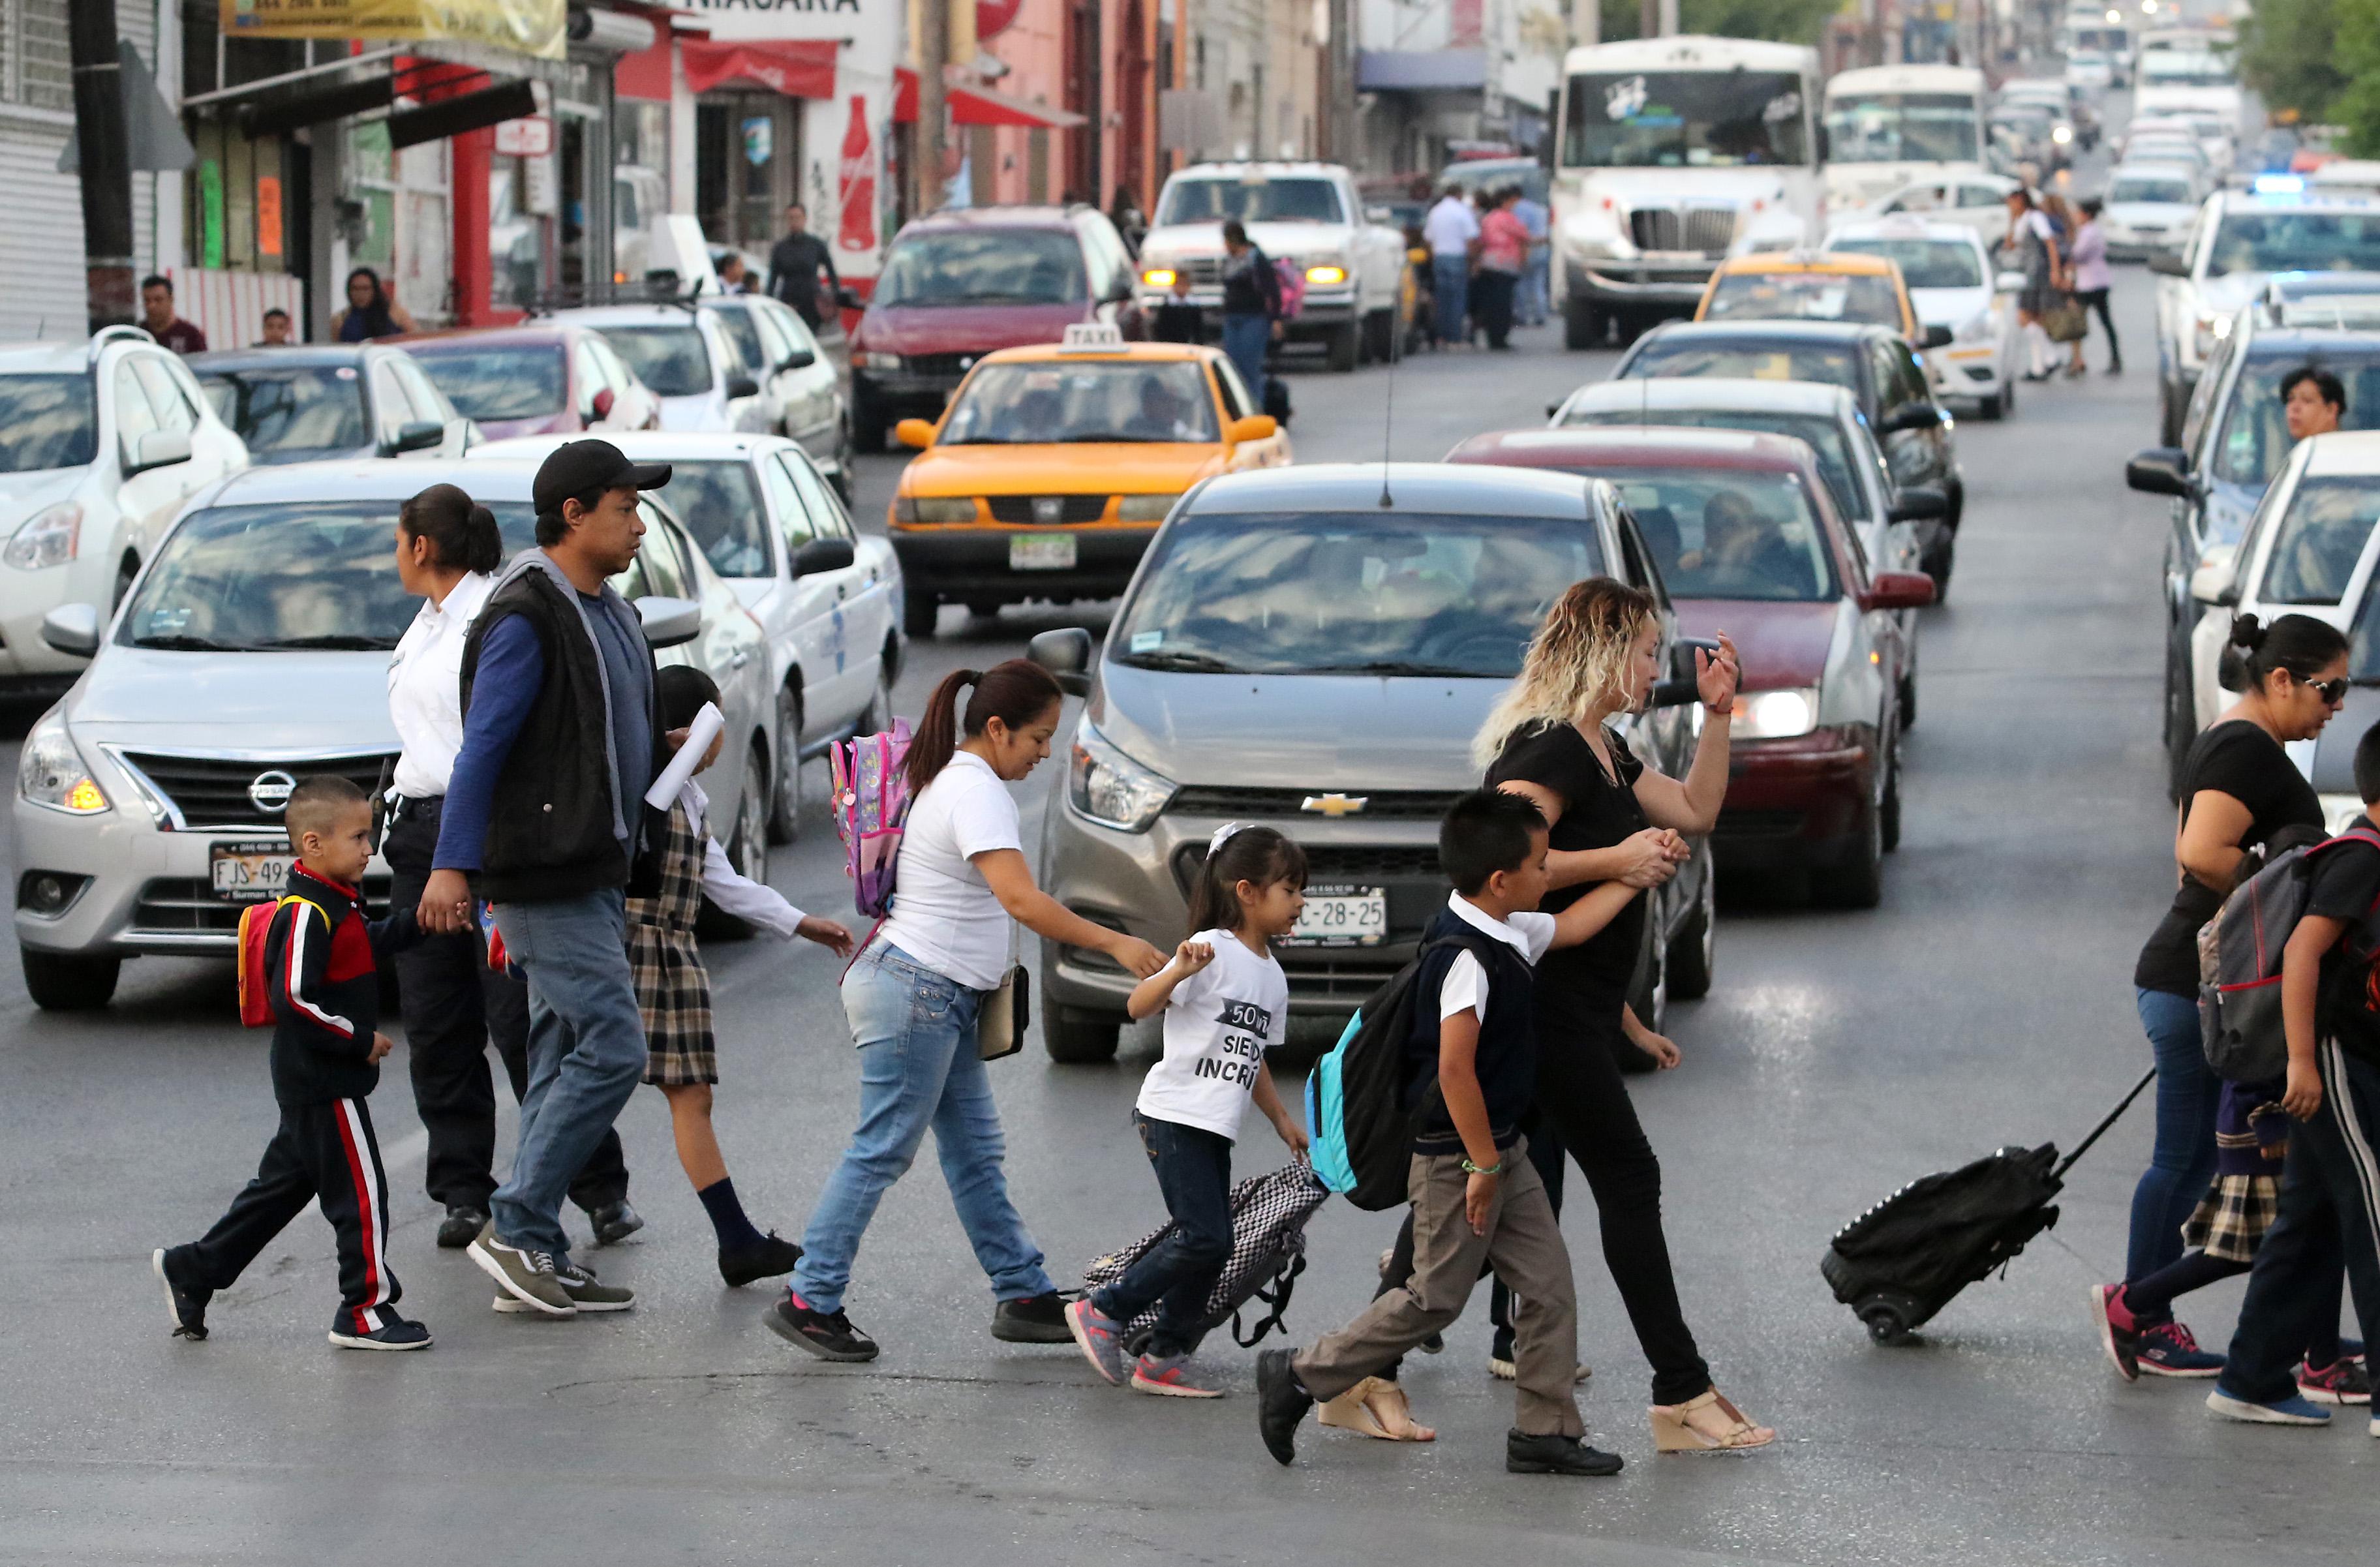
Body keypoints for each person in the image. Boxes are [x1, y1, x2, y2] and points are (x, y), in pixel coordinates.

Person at [766, 663, 1167, 1362]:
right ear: (996, 728)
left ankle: (1022, 1291)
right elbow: (1020, 899)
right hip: (919, 992)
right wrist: (1115, 941)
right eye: (1039, 738)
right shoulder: (976, 791)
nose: (1045, 752)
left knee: (975, 1153)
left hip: (934, 994)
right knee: (882, 1147)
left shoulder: (955, 778)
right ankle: (811, 1298)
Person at [1471, 578, 1776, 1452]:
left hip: (1575, 1010)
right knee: (1627, 1178)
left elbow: (1697, 810)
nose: (1656, 667)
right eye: (1646, 650)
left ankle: (1343, 1371)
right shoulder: (1550, 749)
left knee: (1464, 1203)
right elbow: (1505, 864)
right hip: (1541, 1010)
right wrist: (1623, 857)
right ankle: (1680, 1389)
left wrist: (1720, 714)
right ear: (1606, 651)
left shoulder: (1605, 745)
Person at [1253, 790, 1641, 1476]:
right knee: (1434, 1296)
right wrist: (1484, 1168)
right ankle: (1299, 1373)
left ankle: (1544, 1430)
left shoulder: (1503, 929)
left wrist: (1636, 873)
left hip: (1500, 1146)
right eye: (1542, 865)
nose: (1549, 875)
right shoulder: (1466, 958)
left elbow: (1573, 927)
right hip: (1459, 1157)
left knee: (1547, 1284)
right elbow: (1455, 1071)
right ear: (1502, 880)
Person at [419, 438, 677, 1318]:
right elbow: (485, 743)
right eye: (624, 508)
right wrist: (453, 863)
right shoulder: (529, 612)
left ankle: (536, 1251)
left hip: (598, 866)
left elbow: (599, 727)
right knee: (614, 1046)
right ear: (573, 513)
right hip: (543, 872)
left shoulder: (612, 611)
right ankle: (519, 1221)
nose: (639, 525)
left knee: (562, 1053)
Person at [384, 484, 638, 1253]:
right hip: (420, 830)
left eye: (396, 540)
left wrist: (461, 861)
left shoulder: (495, 617)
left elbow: (490, 747)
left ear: (421, 545)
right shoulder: (424, 625)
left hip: (482, 843)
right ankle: (466, 1190)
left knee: (529, 1022)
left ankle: (591, 1187)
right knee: (438, 1024)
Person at [2107, 611, 2351, 1375]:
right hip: (2194, 984)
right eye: (2329, 688)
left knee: (2204, 1162)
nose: (2337, 706)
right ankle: (2137, 1312)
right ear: (2281, 679)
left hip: (2198, 982)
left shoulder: (2242, 739)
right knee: (2182, 1160)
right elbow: (2198, 852)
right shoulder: (2246, 745)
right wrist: (2287, 905)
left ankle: (2295, 1336)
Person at [151, 777, 427, 1350]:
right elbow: (294, 999)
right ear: (312, 843)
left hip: (315, 1079)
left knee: (279, 1190)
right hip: (325, 1078)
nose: (368, 848)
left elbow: (361, 946)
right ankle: (365, 1311)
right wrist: (358, 1040)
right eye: (357, 837)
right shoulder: (305, 913)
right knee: (363, 1193)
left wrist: (420, 923)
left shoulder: (336, 900)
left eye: (369, 835)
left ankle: (194, 1269)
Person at [628, 665, 857, 1290]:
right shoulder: (637, 786)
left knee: (688, 1095)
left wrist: (800, 922)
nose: (724, 739)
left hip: (671, 955)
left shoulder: (689, 798)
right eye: (717, 721)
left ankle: (736, 1241)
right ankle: (525, 1216)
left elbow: (723, 883)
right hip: (633, 951)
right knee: (592, 1092)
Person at [1065, 825, 1312, 1399]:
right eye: (1291, 890)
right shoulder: (1210, 950)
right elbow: (1137, 1005)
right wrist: (1177, 969)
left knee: (1212, 1240)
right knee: (1205, 1236)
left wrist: (1280, 1119)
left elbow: (1252, 1057)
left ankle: (1164, 1357)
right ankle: (1105, 1310)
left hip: (1214, 1125)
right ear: (1247, 892)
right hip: (1173, 1115)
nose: (1301, 902)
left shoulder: (1272, 976)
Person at [2206, 720, 2380, 1426]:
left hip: (2354, 1058)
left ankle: (2249, 1376)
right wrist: (2304, 1061)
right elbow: (2304, 954)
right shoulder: (2364, 857)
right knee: (2375, 1213)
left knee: (2309, 1220)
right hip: (2339, 1059)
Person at [1217, 219, 1282, 413]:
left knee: (1251, 367)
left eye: (1227, 240)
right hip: (1232, 317)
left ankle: (1256, 411)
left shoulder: (1256, 259)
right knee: (1233, 367)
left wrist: (1276, 318)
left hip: (1254, 318)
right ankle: (1238, 410)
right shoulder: (1229, 261)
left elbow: (1272, 289)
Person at [2002, 188, 2062, 382]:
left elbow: (2050, 243)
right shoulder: (2020, 221)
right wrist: (2011, 221)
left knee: (2027, 317)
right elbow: (2009, 244)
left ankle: (2046, 360)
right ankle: (2044, 361)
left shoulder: (2035, 218)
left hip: (2036, 272)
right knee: (2033, 320)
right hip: (2025, 272)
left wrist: (2055, 270)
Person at [1424, 183, 1480, 348]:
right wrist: (1473, 260)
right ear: (1459, 194)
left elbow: (1428, 238)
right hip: (1457, 257)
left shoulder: (1436, 211)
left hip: (1439, 257)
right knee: (1457, 299)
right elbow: (1471, 238)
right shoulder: (1462, 211)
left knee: (1442, 299)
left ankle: (1441, 336)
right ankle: (1454, 338)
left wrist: (1433, 255)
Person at [767, 203, 840, 328]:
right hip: (788, 301)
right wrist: (769, 303)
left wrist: (835, 299)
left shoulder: (816, 245)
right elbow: (772, 279)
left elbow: (832, 273)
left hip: (812, 302)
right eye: (791, 218)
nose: (794, 222)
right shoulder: (780, 248)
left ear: (805, 219)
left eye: (798, 217)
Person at [1474, 189, 1527, 352]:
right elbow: (1524, 235)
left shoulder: (1488, 218)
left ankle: (1492, 337)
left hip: (1488, 264)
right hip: (1505, 266)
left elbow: (1481, 241)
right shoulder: (1508, 219)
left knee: (1491, 304)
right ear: (1505, 202)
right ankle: (1500, 338)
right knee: (1503, 305)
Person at [2069, 197, 2118, 375]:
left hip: (2089, 284)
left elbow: (2078, 254)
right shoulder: (2093, 231)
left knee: (2077, 324)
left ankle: (2077, 360)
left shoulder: (2088, 233)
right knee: (2106, 323)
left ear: (2086, 215)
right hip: (2099, 281)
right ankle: (2114, 358)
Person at [331, 267, 416, 342]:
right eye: (355, 289)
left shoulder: (395, 313)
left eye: (366, 289)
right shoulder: (340, 320)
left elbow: (415, 338)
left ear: (375, 290)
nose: (361, 294)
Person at [138, 275, 207, 355]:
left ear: (171, 300)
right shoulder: (138, 334)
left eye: (158, 300)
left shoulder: (191, 335)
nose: (151, 306)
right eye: (147, 300)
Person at [1515, 185, 1551, 327]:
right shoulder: (1539, 209)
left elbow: (1520, 232)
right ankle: (1540, 315)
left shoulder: (1517, 209)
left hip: (1526, 249)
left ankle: (1522, 315)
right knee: (1538, 284)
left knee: (1522, 285)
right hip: (1541, 250)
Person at [2285, 365, 2347, 444]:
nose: (2294, 407)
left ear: (2331, 409)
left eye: (2307, 400)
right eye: (2290, 399)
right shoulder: (2296, 454)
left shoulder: (2349, 453)